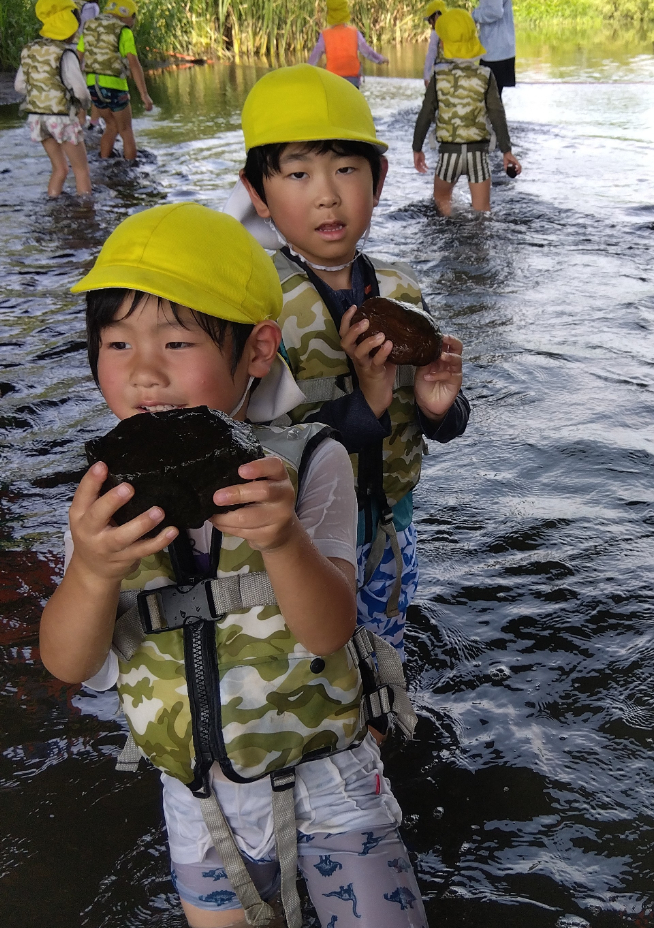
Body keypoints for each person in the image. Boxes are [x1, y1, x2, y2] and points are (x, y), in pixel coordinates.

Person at [40, 202, 428, 927]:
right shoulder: (101, 504)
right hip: (198, 802)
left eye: (176, 341)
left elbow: (329, 629)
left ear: (257, 351)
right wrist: (92, 570)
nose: (144, 372)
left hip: (330, 785)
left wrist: (282, 541)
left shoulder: (313, 463)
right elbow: (67, 663)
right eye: (116, 344)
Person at [229, 63, 470, 662]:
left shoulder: (401, 289)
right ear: (258, 192)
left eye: (345, 169)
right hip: (300, 536)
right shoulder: (256, 302)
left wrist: (442, 411)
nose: (327, 193)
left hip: (393, 520)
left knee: (383, 659)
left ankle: (382, 742)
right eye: (298, 173)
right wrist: (368, 401)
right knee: (306, 661)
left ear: (379, 179)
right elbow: (252, 439)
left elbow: (441, 418)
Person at [413, 9, 521, 215]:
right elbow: (497, 114)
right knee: (482, 212)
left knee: (442, 200)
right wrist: (507, 151)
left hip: (448, 156)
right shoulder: (485, 75)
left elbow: (426, 114)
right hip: (477, 157)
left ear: (443, 44)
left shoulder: (439, 76)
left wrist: (417, 148)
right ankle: (480, 246)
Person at [15, 0, 93, 198]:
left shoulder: (29, 50)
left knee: (59, 169)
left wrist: (43, 92)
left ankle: (52, 205)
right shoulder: (66, 54)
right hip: (63, 119)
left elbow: (19, 86)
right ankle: (85, 216)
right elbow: (80, 91)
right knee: (81, 170)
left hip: (38, 119)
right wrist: (84, 105)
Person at [77, 0, 154, 160]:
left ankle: (104, 161)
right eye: (134, 18)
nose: (133, 23)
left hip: (93, 86)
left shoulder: (90, 26)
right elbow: (134, 64)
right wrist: (144, 94)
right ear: (127, 15)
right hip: (115, 86)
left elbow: (78, 57)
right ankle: (131, 171)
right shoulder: (123, 31)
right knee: (126, 130)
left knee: (111, 126)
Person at [307, 0, 387, 89]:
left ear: (328, 12)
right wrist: (380, 59)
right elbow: (367, 52)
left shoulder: (325, 35)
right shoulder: (354, 33)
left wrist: (304, 70)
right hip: (353, 80)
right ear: (345, 10)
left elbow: (314, 57)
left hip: (333, 80)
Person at [66, 0, 103, 130]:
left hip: (66, 48)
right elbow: (91, 29)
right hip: (83, 48)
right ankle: (91, 121)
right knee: (91, 84)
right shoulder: (91, 7)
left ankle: (75, 119)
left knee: (73, 85)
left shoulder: (67, 2)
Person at [473, 0, 515, 97]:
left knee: (489, 100)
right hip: (498, 49)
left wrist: (474, 15)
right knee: (492, 100)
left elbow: (495, 11)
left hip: (495, 51)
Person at [420, 0, 447, 87]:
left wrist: (426, 77)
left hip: (441, 77)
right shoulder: (454, 30)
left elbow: (431, 55)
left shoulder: (436, 34)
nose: (431, 24)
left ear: (436, 16)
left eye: (430, 21)